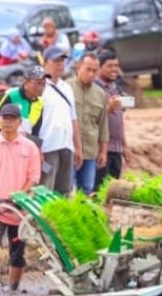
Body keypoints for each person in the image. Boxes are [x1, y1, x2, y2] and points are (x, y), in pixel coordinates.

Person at [0, 104, 41, 294]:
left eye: (13, 119)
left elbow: (33, 178)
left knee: (17, 252)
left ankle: (13, 289)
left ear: (20, 122)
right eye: (5, 118)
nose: (8, 122)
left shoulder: (30, 147)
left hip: (19, 209)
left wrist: (19, 195)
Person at [39, 46, 83, 195]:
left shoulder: (67, 88)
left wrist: (78, 147)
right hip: (47, 147)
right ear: (44, 63)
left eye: (62, 61)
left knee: (64, 190)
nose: (60, 64)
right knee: (45, 188)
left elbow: (73, 119)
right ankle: (41, 219)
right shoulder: (40, 87)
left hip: (66, 146)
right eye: (55, 61)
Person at [69, 53, 108, 194]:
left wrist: (103, 151)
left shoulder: (100, 94)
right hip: (70, 149)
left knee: (87, 187)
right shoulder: (66, 89)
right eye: (88, 69)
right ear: (79, 67)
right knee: (67, 189)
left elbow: (103, 125)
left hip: (91, 150)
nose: (91, 74)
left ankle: (82, 214)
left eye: (95, 70)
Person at [94, 48, 130, 188]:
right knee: (98, 192)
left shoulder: (117, 89)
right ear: (99, 68)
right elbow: (93, 119)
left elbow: (120, 121)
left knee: (112, 194)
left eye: (116, 65)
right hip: (101, 151)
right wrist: (109, 107)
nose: (114, 69)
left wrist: (125, 146)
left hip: (116, 150)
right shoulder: (94, 89)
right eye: (109, 66)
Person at [0, 66, 48, 139]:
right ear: (26, 82)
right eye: (38, 83)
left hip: (22, 145)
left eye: (44, 84)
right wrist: (7, 135)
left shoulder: (40, 103)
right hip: (1, 142)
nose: (41, 87)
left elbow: (35, 131)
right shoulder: (11, 95)